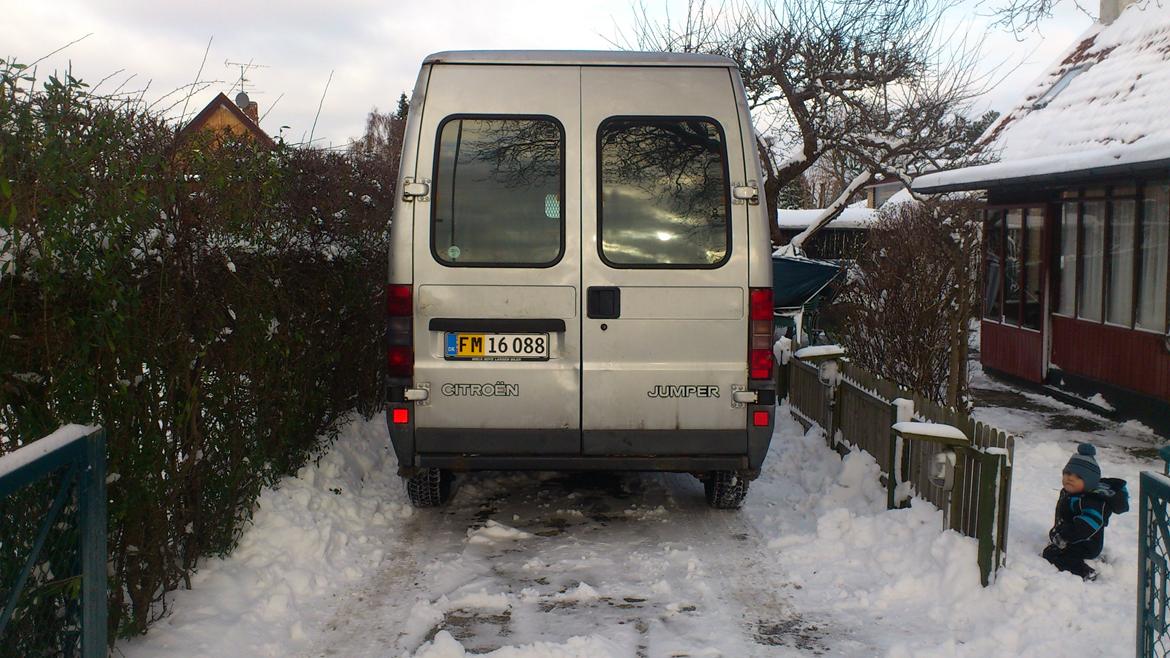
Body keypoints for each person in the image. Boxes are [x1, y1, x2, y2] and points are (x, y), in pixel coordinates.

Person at [1042, 443, 1128, 581]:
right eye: (1067, 473)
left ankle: (1085, 572)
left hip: (1087, 543)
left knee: (1052, 554)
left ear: (1089, 482)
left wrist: (1065, 536)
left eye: (1078, 477)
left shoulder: (1091, 501)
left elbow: (1087, 526)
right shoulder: (1072, 493)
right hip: (1076, 538)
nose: (1070, 478)